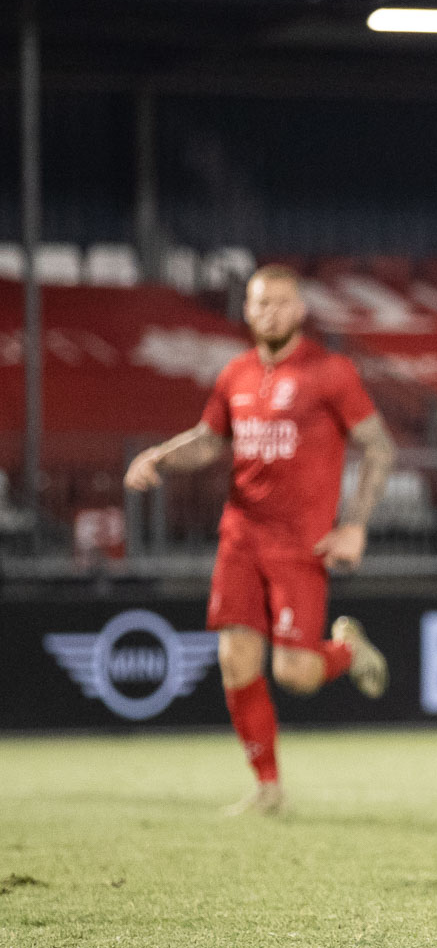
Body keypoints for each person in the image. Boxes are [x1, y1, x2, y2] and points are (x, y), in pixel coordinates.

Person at [124, 265, 395, 815]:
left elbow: (380, 447)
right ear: (246, 311)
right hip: (241, 538)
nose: (270, 311)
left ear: (299, 311)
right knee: (235, 660)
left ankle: (347, 650)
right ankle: (268, 788)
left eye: (281, 302)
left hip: (302, 546)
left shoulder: (330, 372)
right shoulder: (235, 375)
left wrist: (355, 524)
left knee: (294, 674)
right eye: (260, 302)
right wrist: (158, 458)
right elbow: (208, 441)